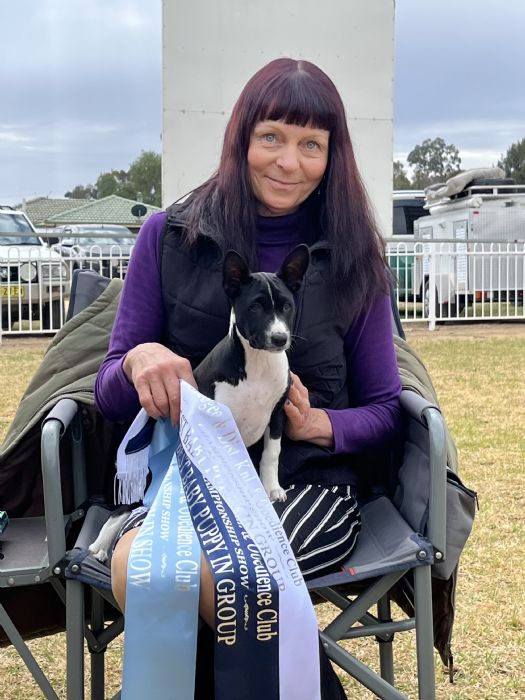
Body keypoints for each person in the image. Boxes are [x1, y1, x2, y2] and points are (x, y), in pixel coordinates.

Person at [95, 57, 402, 697]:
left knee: (219, 574)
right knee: (149, 567)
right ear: (241, 138)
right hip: (180, 483)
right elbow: (107, 392)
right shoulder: (168, 237)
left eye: (311, 145)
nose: (288, 162)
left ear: (332, 157)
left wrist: (320, 424)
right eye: (272, 137)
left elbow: (385, 408)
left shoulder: (353, 258)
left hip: (300, 488)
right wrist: (136, 361)